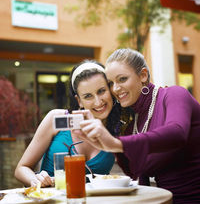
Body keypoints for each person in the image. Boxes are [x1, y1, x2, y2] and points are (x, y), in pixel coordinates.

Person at [75, 48, 200, 204]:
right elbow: (137, 176)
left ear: (143, 75)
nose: (115, 89)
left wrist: (116, 144)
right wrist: (109, 146)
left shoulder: (174, 95)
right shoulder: (132, 125)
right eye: (111, 83)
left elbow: (177, 133)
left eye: (122, 79)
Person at [15, 60, 123, 188]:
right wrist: (36, 180)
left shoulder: (120, 127)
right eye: (88, 96)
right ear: (79, 100)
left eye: (101, 91)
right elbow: (21, 168)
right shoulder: (57, 118)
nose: (98, 102)